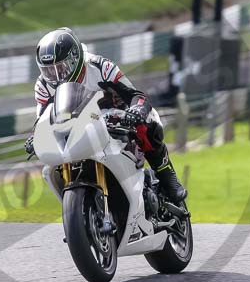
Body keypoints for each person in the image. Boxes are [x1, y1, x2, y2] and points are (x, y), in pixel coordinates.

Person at [24, 27, 187, 204]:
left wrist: (136, 111)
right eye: (49, 70)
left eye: (61, 67)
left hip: (116, 118)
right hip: (77, 127)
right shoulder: (43, 85)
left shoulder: (100, 67)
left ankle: (166, 174)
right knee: (54, 163)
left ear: (75, 58)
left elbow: (135, 95)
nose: (56, 75)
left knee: (148, 121)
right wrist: (37, 137)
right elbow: (42, 118)